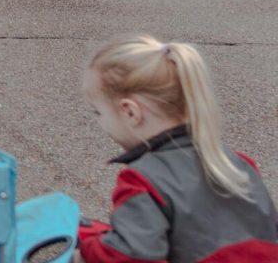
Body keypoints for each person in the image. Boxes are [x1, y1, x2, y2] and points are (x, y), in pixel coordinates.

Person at [78, 34, 278, 261]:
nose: (100, 122)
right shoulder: (239, 164)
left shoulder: (143, 180)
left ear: (130, 111)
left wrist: (85, 248)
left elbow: (128, 256)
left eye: (98, 112)